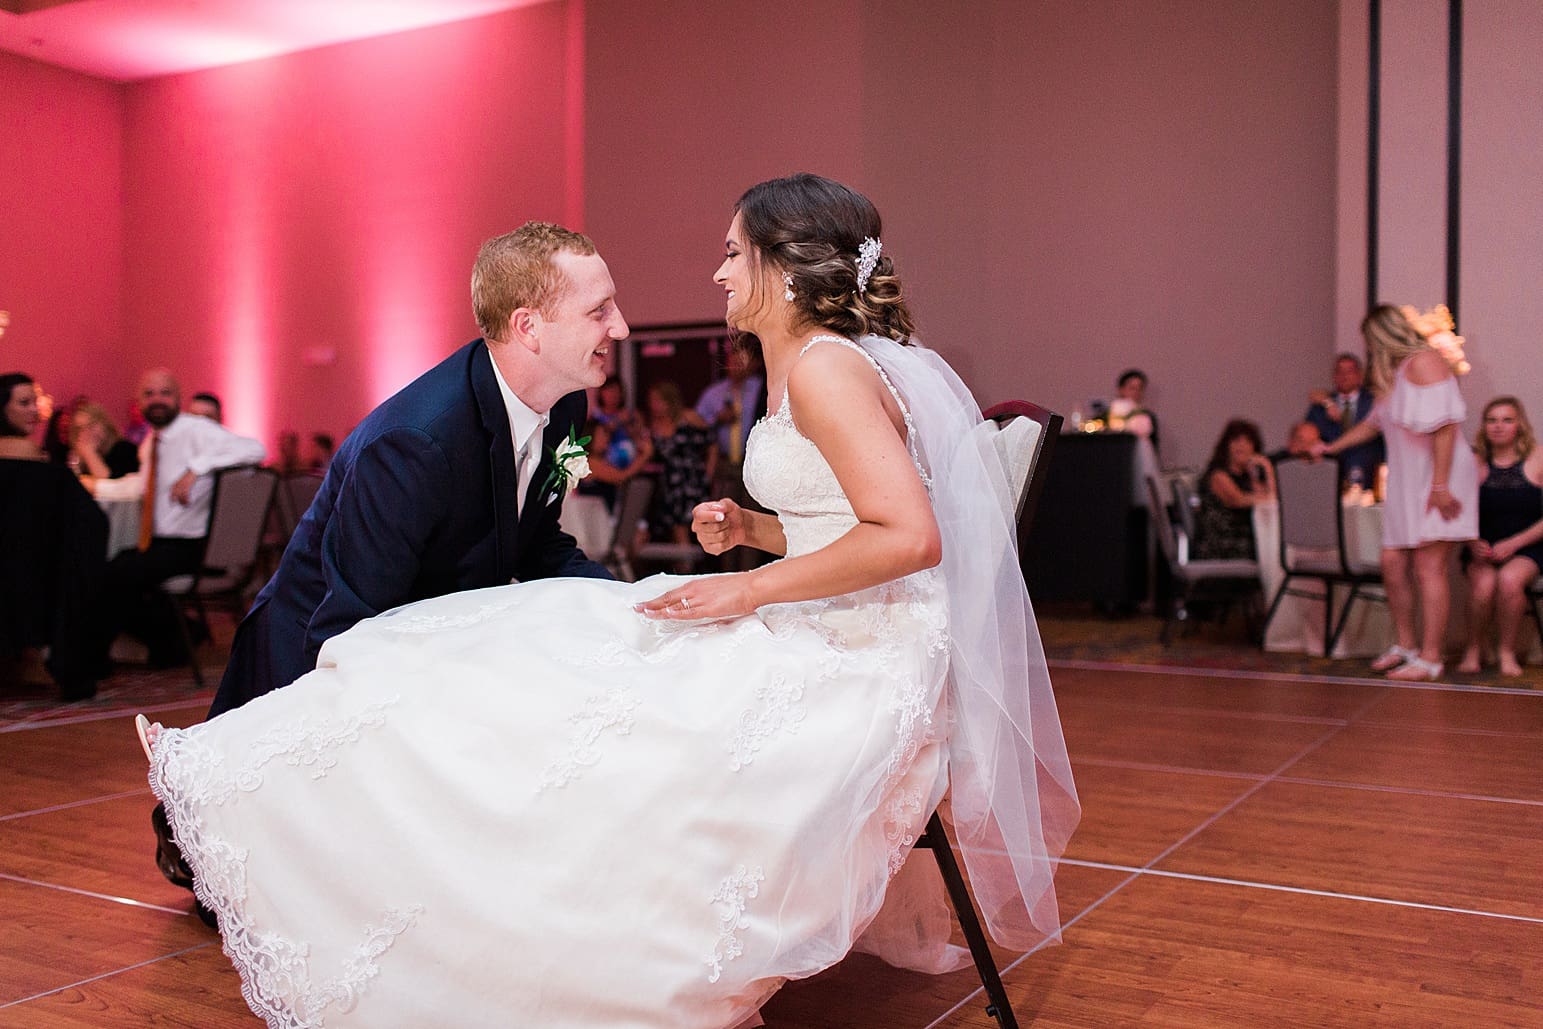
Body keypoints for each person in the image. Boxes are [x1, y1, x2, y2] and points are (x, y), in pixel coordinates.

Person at [138, 174, 1078, 1027]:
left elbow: (547, 538)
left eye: (728, 252)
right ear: (528, 327)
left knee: (597, 699)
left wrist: (646, 597)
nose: (627, 326)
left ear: (779, 271)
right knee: (493, 692)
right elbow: (354, 617)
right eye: (602, 310)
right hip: (319, 635)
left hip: (851, 638)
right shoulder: (410, 444)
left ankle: (546, 912)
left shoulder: (590, 411)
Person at [1318, 305, 1478, 681]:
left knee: (1429, 566)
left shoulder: (1425, 361)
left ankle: (1431, 657)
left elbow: (1445, 427)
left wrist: (1439, 485)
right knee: (1392, 562)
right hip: (1408, 479)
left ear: (1382, 335)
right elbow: (1372, 425)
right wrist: (1329, 448)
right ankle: (1405, 645)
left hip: (1439, 475)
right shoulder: (1394, 375)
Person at [97, 369, 267, 668]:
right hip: (160, 544)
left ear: (178, 398)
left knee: (114, 575)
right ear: (139, 402)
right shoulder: (153, 441)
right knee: (111, 568)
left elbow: (255, 449)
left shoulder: (195, 430)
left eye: (165, 393)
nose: (157, 400)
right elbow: (142, 487)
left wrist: (197, 468)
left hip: (188, 547)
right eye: (149, 394)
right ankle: (181, 638)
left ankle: (94, 661)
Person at [1458, 397, 1543, 677]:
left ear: (1519, 425)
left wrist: (1515, 543)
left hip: (1528, 545)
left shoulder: (1537, 457)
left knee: (1508, 581)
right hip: (1482, 545)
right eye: (1492, 420)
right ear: (1484, 426)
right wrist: (1472, 542)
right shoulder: (1474, 461)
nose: (1498, 426)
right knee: (1483, 586)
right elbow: (1457, 509)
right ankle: (1474, 648)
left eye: (1507, 420)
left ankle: (1507, 651)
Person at [1193, 419, 1275, 560]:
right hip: (1222, 542)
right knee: (1274, 550)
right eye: (1236, 441)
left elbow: (1271, 497)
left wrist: (1266, 469)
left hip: (1246, 537)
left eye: (1248, 442)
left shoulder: (1248, 477)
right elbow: (1238, 500)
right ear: (1226, 445)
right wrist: (1266, 497)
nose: (1241, 446)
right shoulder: (1218, 475)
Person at [646, 380, 715, 545]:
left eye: (658, 400)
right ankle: (684, 565)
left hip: (692, 479)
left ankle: (692, 565)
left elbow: (712, 441)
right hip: (669, 483)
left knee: (694, 523)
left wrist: (709, 472)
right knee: (674, 525)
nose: (654, 405)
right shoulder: (653, 426)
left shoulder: (688, 417)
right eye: (652, 401)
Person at [1305, 353, 1383, 487]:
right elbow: (1309, 436)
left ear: (1360, 375)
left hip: (1369, 475)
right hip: (1330, 478)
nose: (1344, 376)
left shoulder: (1374, 401)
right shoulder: (1321, 405)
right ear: (1333, 376)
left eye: (1350, 371)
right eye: (1339, 371)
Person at [70, 401, 141, 480]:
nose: (86, 432)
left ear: (104, 424)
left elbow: (110, 487)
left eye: (91, 424)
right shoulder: (80, 461)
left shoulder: (125, 449)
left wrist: (89, 453)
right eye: (80, 429)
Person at [0, 373, 45, 460]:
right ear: (3, 407)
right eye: (24, 403)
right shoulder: (24, 449)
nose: (35, 410)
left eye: (35, 402)